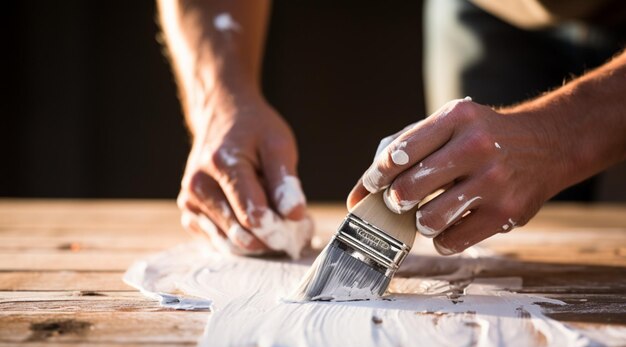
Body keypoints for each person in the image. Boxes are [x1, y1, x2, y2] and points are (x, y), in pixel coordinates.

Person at [158, 0, 626, 257]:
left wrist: (561, 133)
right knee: (492, 230)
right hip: (493, 10)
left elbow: (564, 135)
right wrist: (221, 97)